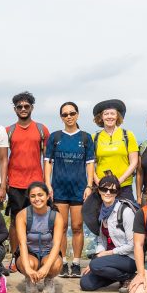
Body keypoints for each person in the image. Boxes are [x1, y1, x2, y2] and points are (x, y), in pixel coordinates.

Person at [45, 102, 96, 278]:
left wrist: (89, 185)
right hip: (59, 189)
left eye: (72, 113)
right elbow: (47, 163)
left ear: (77, 115)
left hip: (79, 189)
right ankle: (61, 261)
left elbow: (90, 165)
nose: (69, 116)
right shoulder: (55, 137)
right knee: (61, 226)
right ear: (61, 117)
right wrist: (48, 184)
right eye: (65, 114)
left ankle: (75, 263)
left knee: (77, 226)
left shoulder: (85, 138)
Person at [4, 91, 51, 253]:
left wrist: (47, 182)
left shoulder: (41, 129)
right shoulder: (8, 130)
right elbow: (3, 159)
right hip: (15, 183)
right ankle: (16, 256)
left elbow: (47, 159)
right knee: (15, 221)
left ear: (32, 107)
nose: (23, 109)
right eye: (19, 107)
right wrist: (5, 183)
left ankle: (37, 253)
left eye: (26, 106)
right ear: (15, 109)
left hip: (37, 183)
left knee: (39, 220)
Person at [79, 175, 138, 292]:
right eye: (104, 189)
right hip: (111, 259)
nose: (108, 193)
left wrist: (104, 256)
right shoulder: (101, 212)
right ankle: (118, 277)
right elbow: (102, 240)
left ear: (117, 192)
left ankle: (130, 276)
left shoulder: (125, 212)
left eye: (112, 190)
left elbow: (132, 245)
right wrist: (97, 257)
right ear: (99, 191)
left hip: (129, 258)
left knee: (96, 265)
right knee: (85, 283)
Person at [14, 182, 66, 293]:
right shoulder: (22, 215)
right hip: (30, 253)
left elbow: (57, 244)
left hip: (48, 253)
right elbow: (22, 243)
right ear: (29, 198)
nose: (37, 199)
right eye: (33, 196)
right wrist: (27, 269)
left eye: (40, 195)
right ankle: (30, 279)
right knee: (29, 263)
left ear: (47, 196)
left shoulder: (56, 216)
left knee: (55, 264)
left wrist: (46, 268)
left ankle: (49, 279)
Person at [91, 99, 139, 202]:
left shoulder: (128, 135)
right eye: (106, 114)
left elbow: (134, 162)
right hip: (102, 187)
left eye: (112, 113)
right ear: (101, 117)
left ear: (117, 116)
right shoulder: (94, 137)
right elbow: (90, 163)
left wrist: (119, 181)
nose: (109, 116)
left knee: (127, 215)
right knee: (100, 217)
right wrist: (97, 181)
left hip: (124, 186)